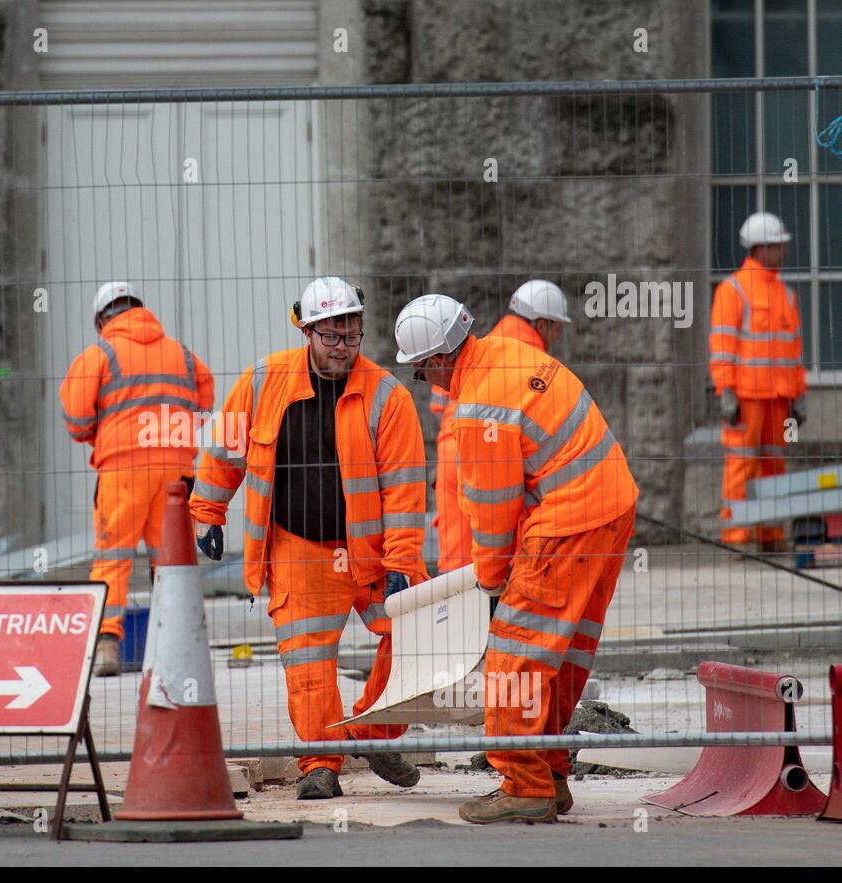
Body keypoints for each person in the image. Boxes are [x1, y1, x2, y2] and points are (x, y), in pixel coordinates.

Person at [395, 293, 637, 823]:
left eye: (420, 373)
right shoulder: (509, 353)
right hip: (610, 507)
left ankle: (525, 786)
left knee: (514, 657)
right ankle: (549, 773)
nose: (426, 382)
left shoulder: (478, 409)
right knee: (561, 652)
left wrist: (490, 584)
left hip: (569, 521)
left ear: (437, 360)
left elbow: (492, 511)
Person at [190, 276, 430, 800]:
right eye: (331, 336)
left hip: (369, 551)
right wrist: (207, 512)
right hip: (298, 549)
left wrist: (402, 561)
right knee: (308, 662)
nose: (342, 348)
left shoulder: (387, 397)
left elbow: (406, 489)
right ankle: (320, 764)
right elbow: (226, 449)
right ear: (306, 330)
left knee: (419, 635)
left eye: (351, 336)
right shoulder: (262, 382)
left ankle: (371, 733)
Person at [60, 281, 214, 676]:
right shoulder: (181, 353)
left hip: (123, 470)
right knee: (171, 560)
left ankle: (107, 644)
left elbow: (76, 418)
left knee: (113, 555)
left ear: (101, 320)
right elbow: (205, 399)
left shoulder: (100, 354)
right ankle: (180, 644)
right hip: (177, 475)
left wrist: (103, 432)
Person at [431, 280, 570, 572]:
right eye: (557, 328)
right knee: (498, 559)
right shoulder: (532, 358)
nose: (557, 337)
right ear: (543, 324)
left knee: (457, 562)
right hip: (485, 450)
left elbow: (438, 403)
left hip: (451, 448)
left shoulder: (489, 342)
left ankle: (460, 617)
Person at [710, 212, 804, 552]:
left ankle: (770, 535)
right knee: (741, 466)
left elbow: (794, 349)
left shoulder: (785, 294)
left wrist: (799, 395)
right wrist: (726, 392)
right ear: (760, 248)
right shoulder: (732, 290)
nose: (784, 251)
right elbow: (722, 346)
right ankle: (736, 538)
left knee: (773, 467)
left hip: (778, 398)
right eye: (778, 246)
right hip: (746, 398)